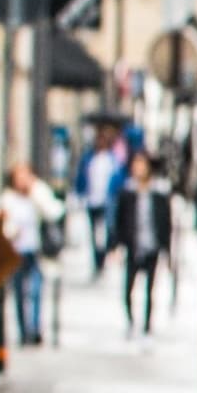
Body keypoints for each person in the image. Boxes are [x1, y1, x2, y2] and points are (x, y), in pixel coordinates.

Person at [0, 162, 62, 347]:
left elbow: (54, 212)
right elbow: (4, 224)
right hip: (16, 252)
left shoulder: (37, 194)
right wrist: (11, 232)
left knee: (35, 291)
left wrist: (36, 192)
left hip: (35, 251)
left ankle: (34, 329)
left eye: (26, 176)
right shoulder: (8, 199)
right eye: (19, 176)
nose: (22, 180)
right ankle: (23, 331)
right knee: (19, 293)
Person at [115, 150, 173, 336]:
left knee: (150, 290)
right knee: (128, 289)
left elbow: (166, 223)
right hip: (133, 246)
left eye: (141, 164)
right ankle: (132, 321)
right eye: (135, 164)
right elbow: (119, 220)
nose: (137, 168)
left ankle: (147, 325)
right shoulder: (127, 192)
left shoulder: (159, 193)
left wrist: (167, 250)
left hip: (152, 246)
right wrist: (116, 245)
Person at [78, 130, 123, 275]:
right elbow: (82, 178)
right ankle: (97, 259)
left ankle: (102, 257)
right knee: (94, 233)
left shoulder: (112, 160)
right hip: (92, 201)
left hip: (107, 202)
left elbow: (118, 180)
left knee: (104, 232)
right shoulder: (89, 159)